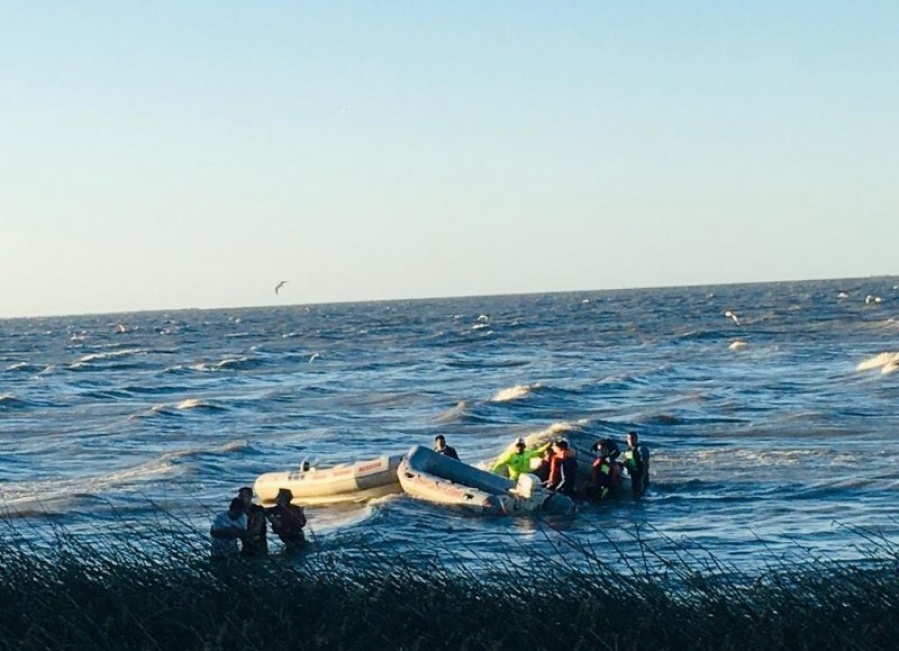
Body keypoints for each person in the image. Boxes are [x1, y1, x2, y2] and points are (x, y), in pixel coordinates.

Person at [237, 486, 268, 556]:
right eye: (239, 496)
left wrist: (239, 533)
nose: (240, 498)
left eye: (242, 496)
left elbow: (257, 529)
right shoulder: (239, 511)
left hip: (258, 543)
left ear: (250, 497)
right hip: (245, 542)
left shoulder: (258, 510)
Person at [623, 431, 650, 497]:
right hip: (633, 476)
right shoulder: (629, 450)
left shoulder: (640, 449)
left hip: (640, 476)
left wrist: (641, 479)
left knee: (640, 495)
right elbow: (629, 463)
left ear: (636, 439)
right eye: (629, 439)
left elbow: (645, 464)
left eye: (632, 438)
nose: (631, 440)